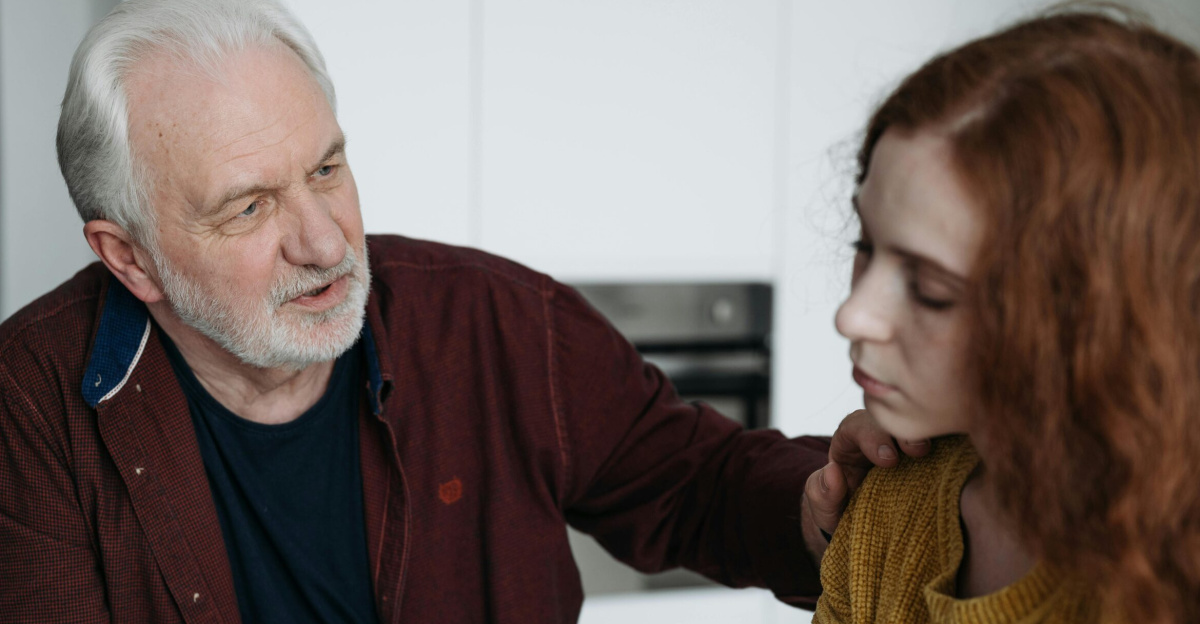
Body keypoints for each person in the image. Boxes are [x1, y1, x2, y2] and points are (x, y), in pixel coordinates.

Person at [0, 1, 910, 622]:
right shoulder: (27, 405)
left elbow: (693, 483)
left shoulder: (493, 319)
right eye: (248, 207)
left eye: (326, 168)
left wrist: (819, 507)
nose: (326, 242)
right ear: (129, 258)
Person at [814, 8, 1200, 624]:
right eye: (866, 245)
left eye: (933, 291)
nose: (852, 316)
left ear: (1091, 317)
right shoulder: (890, 503)